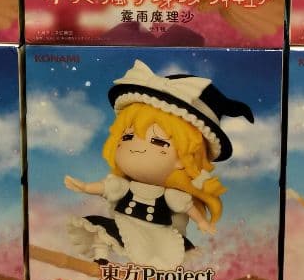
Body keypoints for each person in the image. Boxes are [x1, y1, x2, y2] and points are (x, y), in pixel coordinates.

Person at [65, 60, 253, 269]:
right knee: (102, 231)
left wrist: (201, 222)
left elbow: (187, 207)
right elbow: (106, 187)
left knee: (168, 254)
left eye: (158, 142)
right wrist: (84, 187)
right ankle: (101, 259)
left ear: (184, 159)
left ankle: (159, 277)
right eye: (127, 137)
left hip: (159, 233)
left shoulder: (172, 196)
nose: (137, 147)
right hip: (127, 223)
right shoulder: (123, 186)